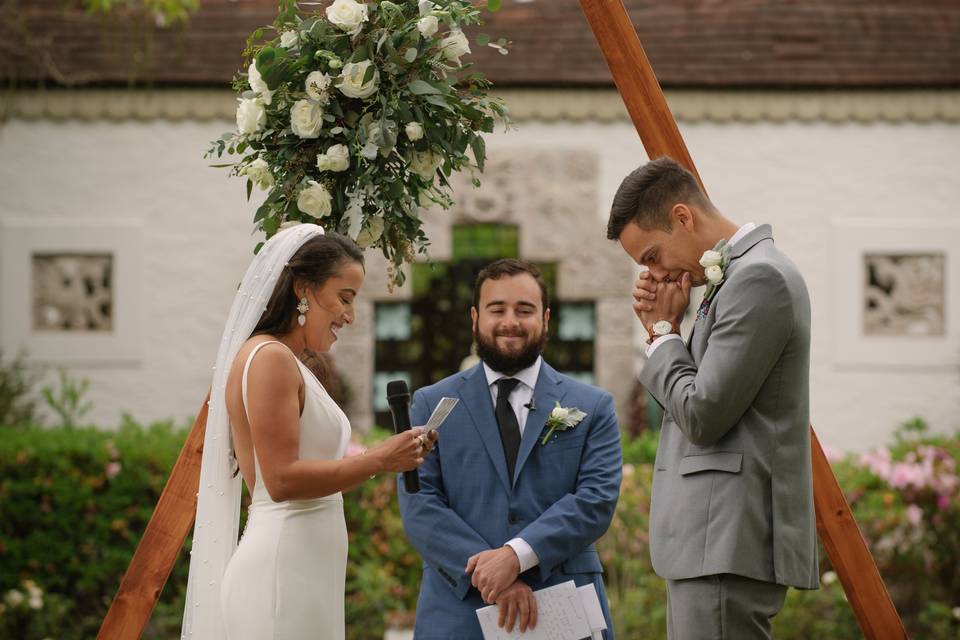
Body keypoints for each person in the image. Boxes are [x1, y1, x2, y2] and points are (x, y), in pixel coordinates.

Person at [181, 224, 437, 640]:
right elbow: (279, 480)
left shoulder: (288, 360)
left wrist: (393, 451)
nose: (350, 316)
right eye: (344, 298)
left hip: (303, 573)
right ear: (303, 288)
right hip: (282, 574)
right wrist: (380, 460)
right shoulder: (270, 360)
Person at [607, 157, 818, 639]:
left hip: (728, 539)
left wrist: (662, 335)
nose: (654, 273)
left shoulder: (759, 280)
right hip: (711, 541)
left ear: (683, 217)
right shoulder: (735, 278)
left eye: (652, 255)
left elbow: (702, 414)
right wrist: (671, 330)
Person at [399, 259, 622, 639]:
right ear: (475, 317)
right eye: (497, 309)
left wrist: (516, 557)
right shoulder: (429, 403)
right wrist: (492, 576)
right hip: (459, 609)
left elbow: (596, 500)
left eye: (525, 310)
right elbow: (420, 504)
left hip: (563, 604)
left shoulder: (594, 405)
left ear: (546, 318)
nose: (510, 322)